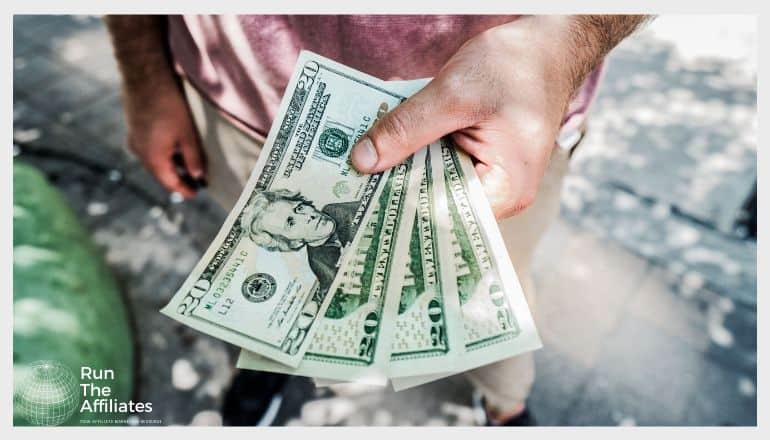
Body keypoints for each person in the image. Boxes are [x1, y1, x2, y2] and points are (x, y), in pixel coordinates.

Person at [106, 14, 649, 426]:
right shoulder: (301, 248)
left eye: (292, 211)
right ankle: (266, 367)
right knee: (278, 303)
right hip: (244, 109)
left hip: (491, 129)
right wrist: (146, 78)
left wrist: (567, 39)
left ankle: (506, 403)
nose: (298, 214)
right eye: (290, 224)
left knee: (493, 297)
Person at [241, 188, 359, 294]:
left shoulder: (335, 211)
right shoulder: (317, 261)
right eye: (291, 223)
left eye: (299, 208)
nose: (307, 217)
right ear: (294, 242)